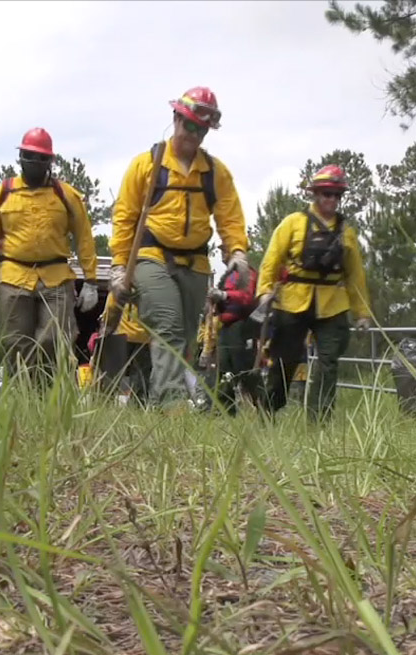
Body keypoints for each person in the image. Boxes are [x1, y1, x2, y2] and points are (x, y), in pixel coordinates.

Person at [109, 86, 250, 407]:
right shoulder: (146, 165)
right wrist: (118, 267)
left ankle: (150, 406)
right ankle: (171, 409)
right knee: (168, 328)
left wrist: (237, 251)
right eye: (189, 125)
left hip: (196, 265)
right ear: (175, 119)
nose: (194, 134)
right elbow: (125, 218)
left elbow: (230, 216)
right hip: (150, 258)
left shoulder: (215, 172)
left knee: (184, 341)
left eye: (202, 129)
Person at [0, 128, 98, 381]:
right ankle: (21, 397)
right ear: (20, 157)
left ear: (50, 161)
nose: (35, 162)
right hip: (13, 276)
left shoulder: (65, 195)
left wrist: (91, 280)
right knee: (15, 342)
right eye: (29, 156)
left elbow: (84, 236)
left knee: (54, 338)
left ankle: (48, 393)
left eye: (41, 158)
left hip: (56, 277)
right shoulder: (3, 194)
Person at [256, 164, 371, 420]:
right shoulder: (293, 224)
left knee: (328, 362)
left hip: (333, 303)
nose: (331, 200)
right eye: (326, 193)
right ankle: (268, 410)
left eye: (336, 195)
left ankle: (319, 419)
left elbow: (355, 276)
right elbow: (272, 260)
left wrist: (362, 313)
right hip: (292, 301)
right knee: (284, 361)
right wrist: (264, 292)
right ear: (315, 194)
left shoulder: (347, 233)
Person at [207, 244, 259, 413]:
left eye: (226, 250)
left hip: (242, 327)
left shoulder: (247, 273)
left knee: (245, 370)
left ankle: (264, 409)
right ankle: (223, 412)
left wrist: (224, 295)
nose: (223, 254)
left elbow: (248, 298)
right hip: (226, 327)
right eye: (222, 251)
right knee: (223, 371)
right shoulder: (227, 276)